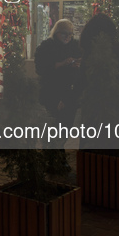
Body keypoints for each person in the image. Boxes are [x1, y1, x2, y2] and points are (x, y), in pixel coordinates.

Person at [34, 19, 82, 149]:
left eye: (70, 34)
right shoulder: (46, 46)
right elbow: (41, 69)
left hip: (70, 93)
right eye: (64, 34)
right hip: (52, 91)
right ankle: (53, 156)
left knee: (65, 128)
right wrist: (61, 64)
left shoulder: (75, 46)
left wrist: (77, 64)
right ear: (56, 33)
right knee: (53, 127)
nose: (68, 37)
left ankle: (56, 154)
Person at [79, 13, 119, 84]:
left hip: (91, 91)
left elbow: (82, 77)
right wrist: (114, 81)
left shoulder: (89, 47)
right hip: (114, 91)